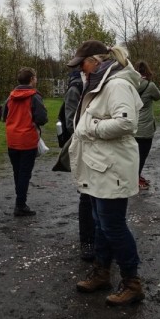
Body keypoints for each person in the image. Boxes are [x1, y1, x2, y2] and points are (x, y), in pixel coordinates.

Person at [69, 42, 146, 306]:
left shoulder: (117, 85)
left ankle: (132, 282)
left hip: (112, 168)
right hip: (99, 167)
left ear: (96, 61)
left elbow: (127, 123)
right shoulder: (100, 84)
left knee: (113, 225)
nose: (80, 69)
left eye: (82, 63)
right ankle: (102, 272)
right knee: (100, 223)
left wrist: (91, 128)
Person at [62, 48, 96, 261]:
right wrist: (95, 130)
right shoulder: (76, 88)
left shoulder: (104, 84)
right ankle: (88, 241)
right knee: (87, 195)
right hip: (85, 149)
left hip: (103, 151)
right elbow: (71, 123)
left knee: (101, 196)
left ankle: (100, 239)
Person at [1, 67, 48, 217]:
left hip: (12, 140)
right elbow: (42, 118)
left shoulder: (10, 97)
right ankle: (20, 205)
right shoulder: (34, 96)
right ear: (32, 79)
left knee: (17, 172)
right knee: (25, 173)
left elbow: (3, 116)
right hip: (27, 140)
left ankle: (20, 201)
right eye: (36, 77)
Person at [134, 61, 160, 190]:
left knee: (133, 155)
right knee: (142, 154)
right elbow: (158, 96)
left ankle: (135, 176)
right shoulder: (150, 86)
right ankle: (135, 179)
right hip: (145, 127)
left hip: (132, 125)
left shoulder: (129, 85)